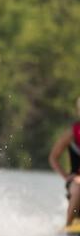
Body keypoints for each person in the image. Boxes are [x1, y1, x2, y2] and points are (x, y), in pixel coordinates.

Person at [48, 97, 80, 227]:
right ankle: (68, 227)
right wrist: (66, 177)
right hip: (76, 180)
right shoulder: (71, 134)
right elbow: (53, 158)